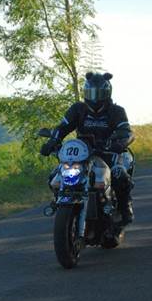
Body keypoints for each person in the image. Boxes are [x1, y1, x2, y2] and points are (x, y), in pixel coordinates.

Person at [40, 72, 135, 225]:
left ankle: (124, 207)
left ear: (107, 93)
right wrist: (53, 141)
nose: (94, 97)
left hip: (107, 152)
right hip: (82, 153)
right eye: (91, 93)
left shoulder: (116, 111)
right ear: (85, 92)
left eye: (98, 93)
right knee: (55, 176)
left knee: (119, 174)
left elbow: (126, 132)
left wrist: (120, 143)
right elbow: (62, 127)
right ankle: (60, 201)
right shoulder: (78, 109)